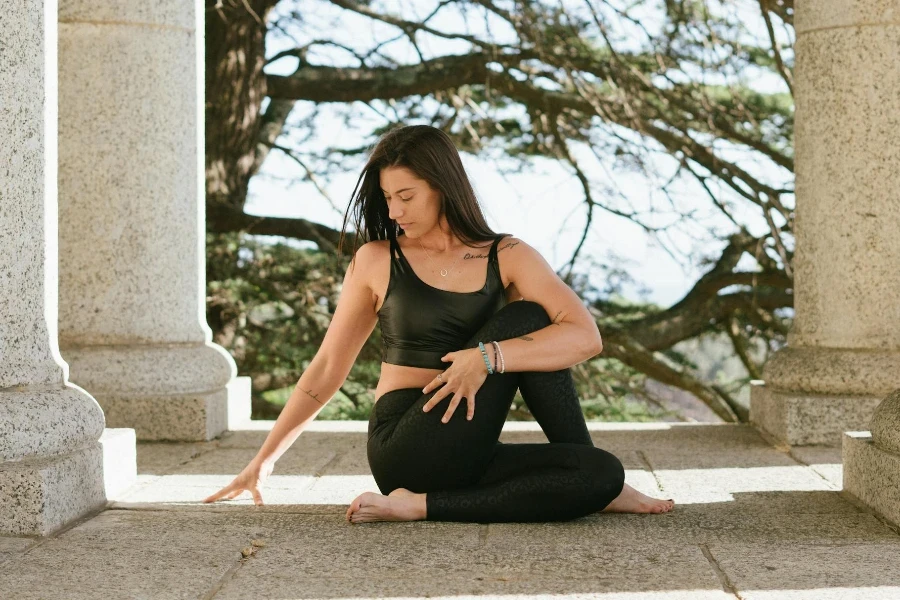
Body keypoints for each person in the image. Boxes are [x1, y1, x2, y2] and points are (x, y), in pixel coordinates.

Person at [203, 125, 675, 522]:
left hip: (468, 443)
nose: (394, 212)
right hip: (406, 441)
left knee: (599, 472)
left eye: (406, 196)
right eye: (388, 197)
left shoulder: (507, 255)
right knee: (527, 317)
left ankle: (423, 506)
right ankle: (414, 498)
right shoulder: (377, 259)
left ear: (442, 186)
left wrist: (487, 359)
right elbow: (327, 367)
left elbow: (584, 335)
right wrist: (263, 462)